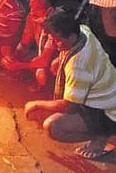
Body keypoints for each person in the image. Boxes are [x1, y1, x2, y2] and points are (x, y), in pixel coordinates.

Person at [25, 10, 116, 160]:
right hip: (107, 90)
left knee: (53, 127)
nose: (55, 43)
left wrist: (36, 104)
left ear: (71, 35)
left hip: (106, 109)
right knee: (56, 66)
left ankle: (102, 135)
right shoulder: (83, 31)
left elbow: (67, 106)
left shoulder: (78, 65)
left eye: (58, 39)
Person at [1, 0, 59, 91]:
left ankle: (49, 87)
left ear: (49, 11)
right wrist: (13, 58)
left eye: (37, 8)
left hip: (55, 61)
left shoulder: (56, 23)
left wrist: (19, 66)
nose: (32, 11)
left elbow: (45, 60)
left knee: (41, 74)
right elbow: (24, 44)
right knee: (8, 52)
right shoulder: (32, 17)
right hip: (41, 54)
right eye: (31, 7)